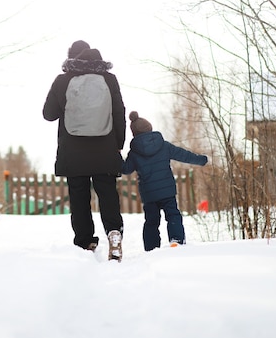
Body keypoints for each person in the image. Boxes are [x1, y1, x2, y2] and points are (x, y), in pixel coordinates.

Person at [43, 40, 126, 261]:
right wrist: (118, 143)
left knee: (79, 198)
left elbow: (48, 114)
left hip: (73, 151)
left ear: (72, 58)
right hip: (105, 149)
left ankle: (85, 242)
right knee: (108, 194)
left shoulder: (63, 81)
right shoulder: (109, 79)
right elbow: (119, 111)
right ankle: (114, 233)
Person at [122, 111, 208, 251]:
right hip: (167, 191)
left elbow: (125, 169)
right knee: (173, 215)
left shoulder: (134, 152)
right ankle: (176, 240)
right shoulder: (163, 145)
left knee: (151, 221)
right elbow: (183, 155)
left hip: (149, 194)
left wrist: (115, 156)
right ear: (150, 128)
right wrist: (201, 159)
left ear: (134, 134)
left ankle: (151, 247)